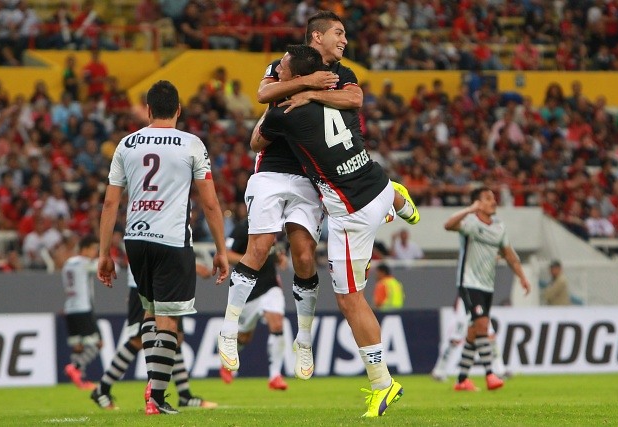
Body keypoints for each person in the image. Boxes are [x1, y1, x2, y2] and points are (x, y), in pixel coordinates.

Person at [218, 10, 419, 385]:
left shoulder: (343, 74)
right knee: (259, 247)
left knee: (306, 257)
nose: (345, 40)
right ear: (317, 38)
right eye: (339, 33)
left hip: (313, 178)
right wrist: (307, 83)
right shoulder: (283, 64)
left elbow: (355, 97)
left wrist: (310, 93)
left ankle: (304, 340)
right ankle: (227, 331)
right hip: (272, 171)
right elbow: (263, 99)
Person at [254, 44, 405, 418]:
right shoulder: (342, 89)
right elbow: (354, 97)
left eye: (282, 69)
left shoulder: (286, 113)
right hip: (376, 182)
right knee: (383, 195)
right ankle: (401, 203)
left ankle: (383, 384)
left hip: (350, 213)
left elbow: (256, 139)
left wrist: (294, 92)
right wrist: (312, 89)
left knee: (350, 298)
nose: (277, 72)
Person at [97, 80, 229, 416]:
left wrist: (103, 253)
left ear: (149, 109)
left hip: (135, 240)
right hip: (171, 240)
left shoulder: (126, 144)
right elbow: (211, 204)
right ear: (179, 110)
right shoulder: (191, 144)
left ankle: (154, 392)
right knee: (169, 320)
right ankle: (155, 397)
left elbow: (111, 202)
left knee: (150, 314)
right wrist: (220, 249)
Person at [91, 264, 218, 410]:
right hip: (150, 281)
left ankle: (184, 395)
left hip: (162, 280)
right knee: (142, 339)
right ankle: (106, 389)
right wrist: (192, 265)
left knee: (173, 337)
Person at [444, 187, 531, 392]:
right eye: (488, 198)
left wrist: (523, 277)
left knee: (474, 331)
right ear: (478, 203)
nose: (493, 202)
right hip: (468, 283)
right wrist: (470, 209)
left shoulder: (499, 227)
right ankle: (490, 374)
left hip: (486, 286)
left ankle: (462, 380)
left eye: (493, 198)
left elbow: (509, 255)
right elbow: (448, 225)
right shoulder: (471, 223)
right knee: (482, 325)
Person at [219, 203, 289, 390]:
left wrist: (279, 257)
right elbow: (227, 253)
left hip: (271, 286)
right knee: (244, 336)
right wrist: (250, 260)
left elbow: (272, 250)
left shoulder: (272, 227)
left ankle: (275, 375)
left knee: (277, 323)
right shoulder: (242, 228)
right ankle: (227, 363)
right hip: (249, 290)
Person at [431, 295, 508, 382]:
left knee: (490, 336)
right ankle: (439, 371)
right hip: (465, 304)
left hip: (479, 303)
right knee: (455, 340)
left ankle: (500, 370)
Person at [62, 234, 101, 391]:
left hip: (69, 308)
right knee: (96, 344)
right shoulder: (85, 264)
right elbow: (108, 268)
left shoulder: (68, 263)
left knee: (78, 346)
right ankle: (75, 366)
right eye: (94, 249)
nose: (95, 253)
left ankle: (79, 381)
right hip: (83, 308)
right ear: (85, 249)